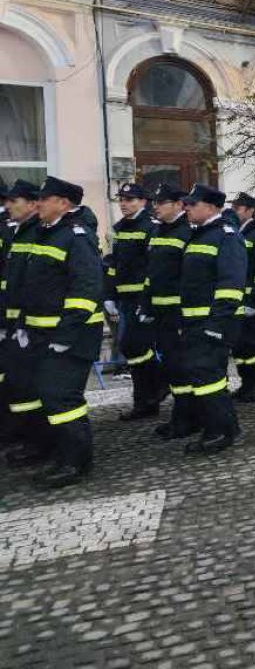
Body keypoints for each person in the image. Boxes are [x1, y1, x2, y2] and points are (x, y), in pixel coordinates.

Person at [7, 177, 103, 487]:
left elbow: (85, 291)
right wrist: (22, 325)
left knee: (61, 397)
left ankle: (75, 461)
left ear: (62, 203)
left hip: (71, 336)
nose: (38, 204)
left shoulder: (76, 236)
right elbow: (32, 287)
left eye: (44, 199)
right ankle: (54, 450)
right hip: (40, 333)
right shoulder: (46, 233)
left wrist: (64, 337)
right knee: (43, 392)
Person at [178, 184, 247, 453]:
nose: (187, 208)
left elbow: (231, 285)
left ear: (210, 207)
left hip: (213, 323)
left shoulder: (225, 236)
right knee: (205, 375)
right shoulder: (200, 235)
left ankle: (219, 432)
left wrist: (216, 325)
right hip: (196, 321)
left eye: (192, 204)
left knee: (208, 377)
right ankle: (224, 426)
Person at [104, 182, 164, 421]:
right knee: (133, 349)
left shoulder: (151, 226)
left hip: (143, 299)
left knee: (135, 346)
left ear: (143, 202)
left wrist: (146, 301)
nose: (123, 204)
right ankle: (148, 397)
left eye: (129, 200)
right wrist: (109, 295)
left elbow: (153, 266)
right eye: (121, 199)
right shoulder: (120, 228)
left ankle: (153, 392)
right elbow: (114, 264)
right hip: (125, 299)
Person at [142, 184, 195, 439]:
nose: (156, 207)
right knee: (172, 366)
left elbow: (191, 278)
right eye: (155, 202)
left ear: (178, 205)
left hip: (179, 312)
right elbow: (152, 272)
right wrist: (146, 304)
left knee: (181, 367)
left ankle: (187, 419)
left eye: (161, 203)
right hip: (161, 311)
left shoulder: (187, 232)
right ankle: (181, 415)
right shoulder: (157, 231)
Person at [1, 181, 41, 451]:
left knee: (28, 383)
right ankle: (26, 436)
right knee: (16, 381)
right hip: (14, 319)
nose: (8, 206)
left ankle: (34, 439)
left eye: (13, 201)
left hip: (34, 323)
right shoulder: (19, 231)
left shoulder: (37, 233)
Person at [230, 192, 255, 402]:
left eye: (237, 208)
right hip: (237, 299)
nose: (233, 211)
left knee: (251, 345)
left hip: (250, 300)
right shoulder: (237, 232)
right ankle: (248, 383)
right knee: (240, 345)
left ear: (250, 211)